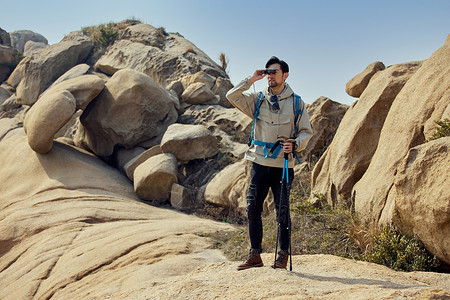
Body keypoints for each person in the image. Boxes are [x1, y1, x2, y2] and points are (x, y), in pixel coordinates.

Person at [226, 56, 313, 270]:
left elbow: (306, 132)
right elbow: (231, 95)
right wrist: (252, 79)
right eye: (268, 72)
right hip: (258, 163)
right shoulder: (257, 99)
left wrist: (295, 144)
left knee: (282, 211)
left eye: (274, 72)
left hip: (283, 165)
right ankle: (254, 254)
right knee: (252, 208)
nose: (270, 76)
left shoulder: (296, 103)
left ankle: (282, 256)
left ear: (285, 75)